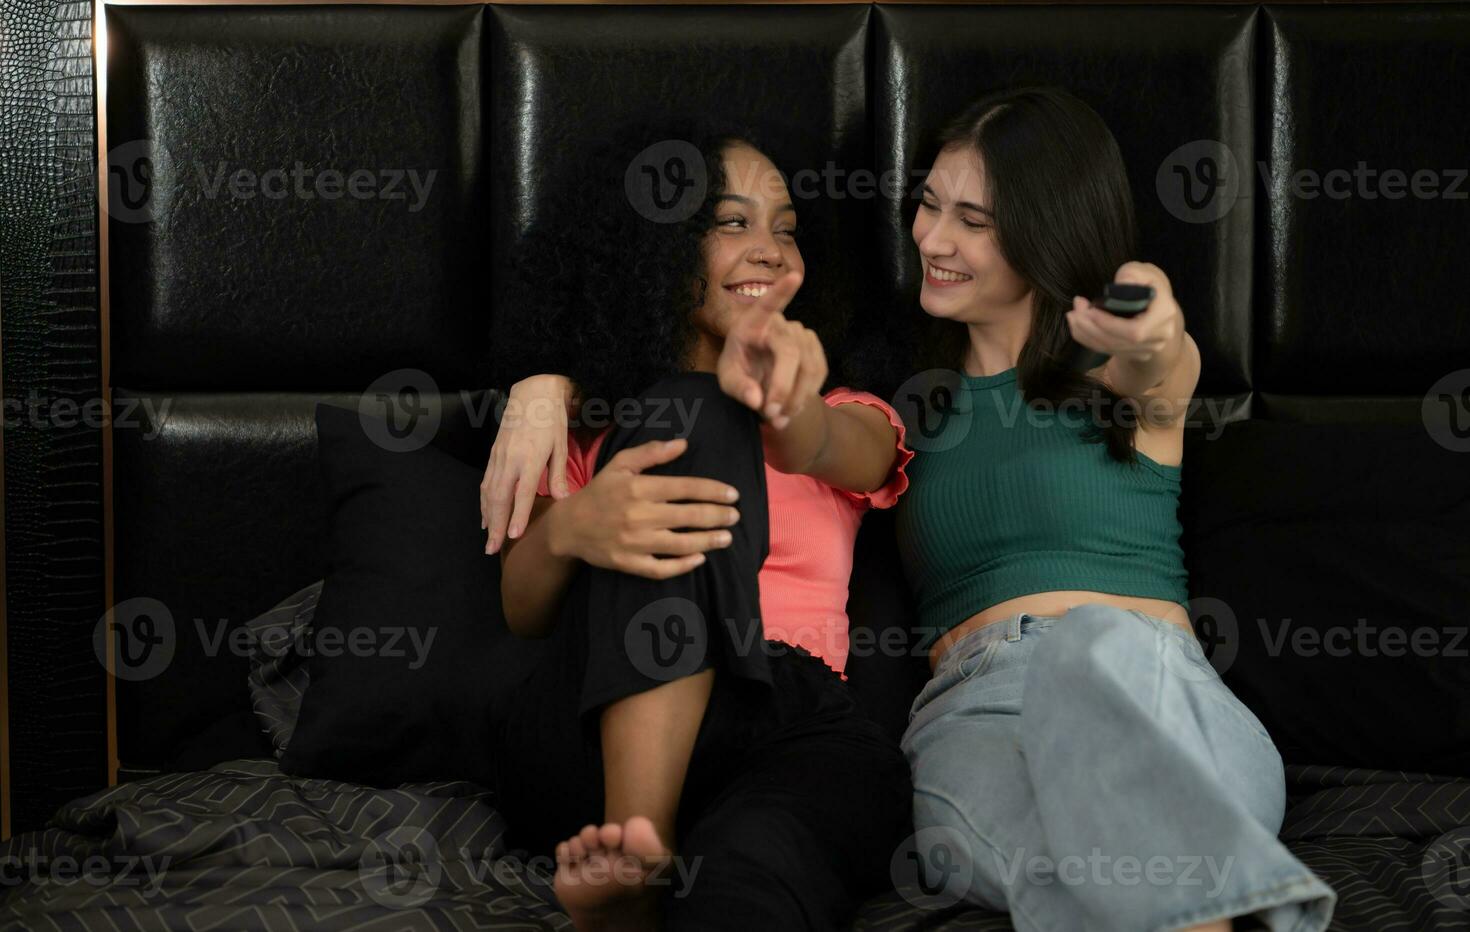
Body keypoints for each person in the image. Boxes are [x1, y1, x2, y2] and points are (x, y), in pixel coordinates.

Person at [891, 85, 1337, 931]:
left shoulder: (1114, 377)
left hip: (1151, 688)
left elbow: (1157, 354)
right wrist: (554, 387)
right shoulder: (904, 402)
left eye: (974, 221)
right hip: (977, 715)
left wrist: (1150, 319)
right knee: (1076, 880)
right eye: (928, 205)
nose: (934, 240)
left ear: (1044, 232)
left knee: (1086, 651)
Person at [485, 125, 914, 931]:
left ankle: (641, 881)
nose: (770, 251)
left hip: (787, 724)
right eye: (732, 223)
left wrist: (788, 411)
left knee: (755, 874)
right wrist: (575, 525)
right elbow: (522, 609)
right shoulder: (587, 434)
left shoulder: (848, 412)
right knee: (690, 409)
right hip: (592, 732)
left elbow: (841, 447)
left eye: (786, 229)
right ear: (658, 245)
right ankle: (637, 849)